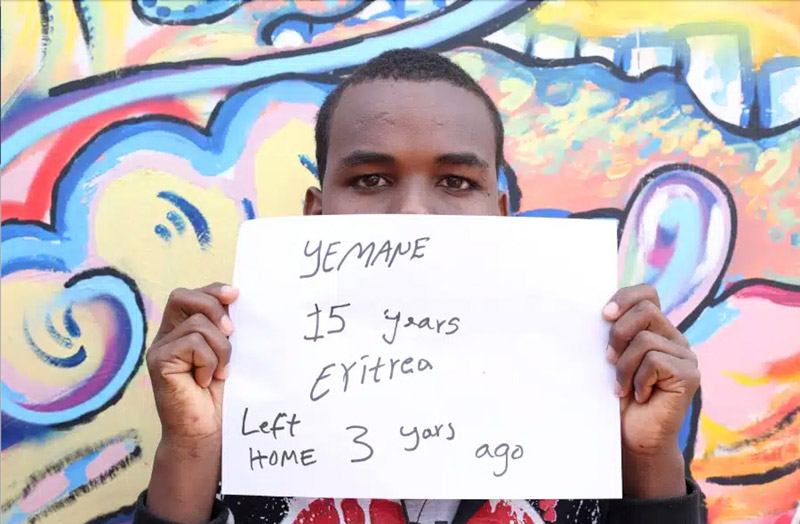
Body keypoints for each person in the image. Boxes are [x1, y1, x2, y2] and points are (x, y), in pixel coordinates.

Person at [134, 48, 702, 524]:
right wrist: (190, 447)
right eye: (369, 180)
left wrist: (649, 455)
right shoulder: (241, 403)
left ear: (500, 216)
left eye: (456, 181)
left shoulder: (592, 401)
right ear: (315, 214)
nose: (413, 213)